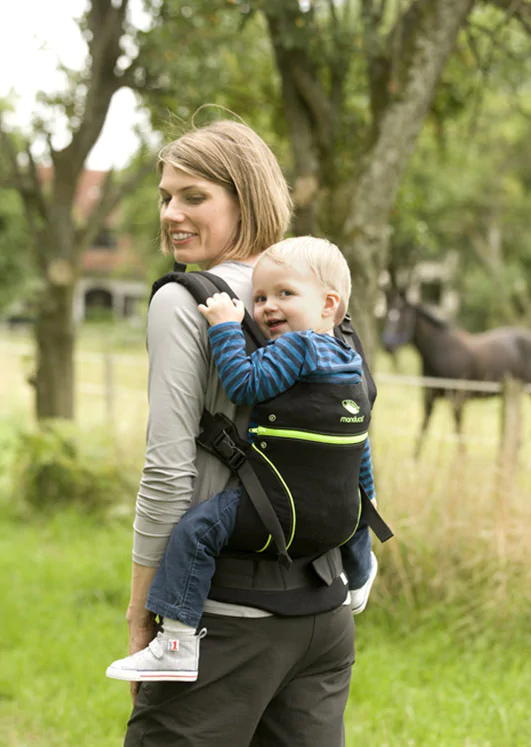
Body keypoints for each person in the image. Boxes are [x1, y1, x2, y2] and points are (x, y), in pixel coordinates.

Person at [119, 118, 377, 747]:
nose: (172, 213)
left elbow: (168, 468)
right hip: (325, 616)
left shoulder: (189, 301)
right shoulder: (316, 293)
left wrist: (140, 611)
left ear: (247, 197)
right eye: (165, 197)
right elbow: (350, 441)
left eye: (194, 196)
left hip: (226, 622)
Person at [106, 236, 379, 684]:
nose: (267, 306)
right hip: (335, 515)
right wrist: (365, 499)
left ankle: (175, 642)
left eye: (284, 294)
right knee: (353, 511)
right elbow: (358, 445)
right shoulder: (349, 359)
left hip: (275, 502)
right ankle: (361, 573)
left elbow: (243, 385)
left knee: (196, 530)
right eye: (259, 298)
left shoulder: (299, 348)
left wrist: (227, 326)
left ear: (329, 304)